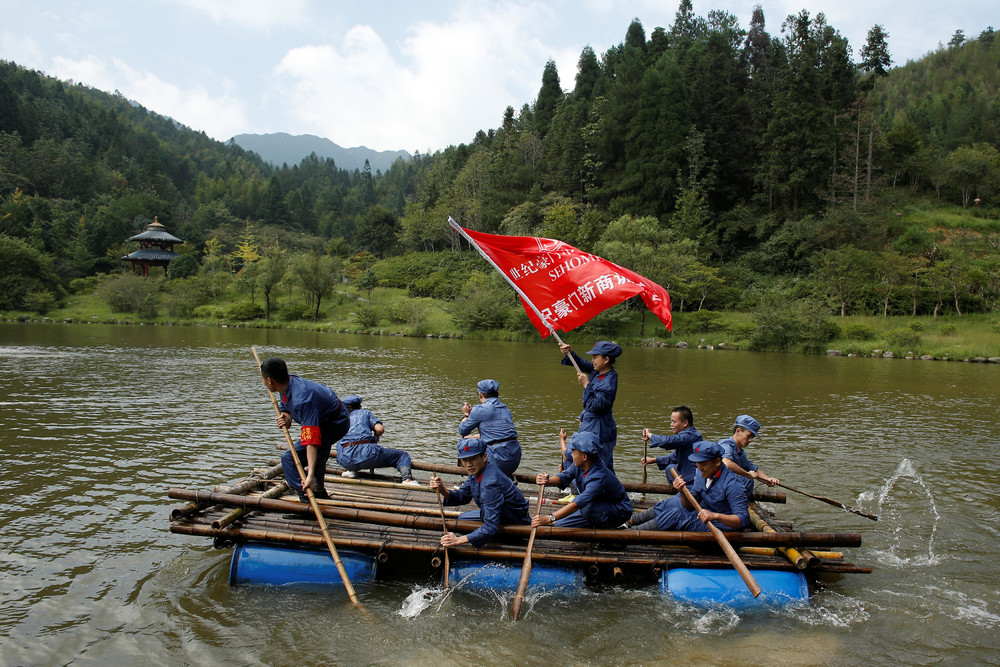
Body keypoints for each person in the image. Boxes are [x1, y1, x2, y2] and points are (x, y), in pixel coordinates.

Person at [260, 357, 350, 503]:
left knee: (289, 458)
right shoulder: (287, 384)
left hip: (335, 423)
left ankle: (307, 497)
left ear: (270, 381)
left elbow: (311, 441)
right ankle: (319, 491)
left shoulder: (302, 399)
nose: (263, 383)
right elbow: (286, 406)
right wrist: (286, 417)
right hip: (326, 419)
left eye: (263, 380)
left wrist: (309, 475)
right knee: (319, 455)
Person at [629, 440, 750, 533]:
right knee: (673, 503)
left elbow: (743, 520)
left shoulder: (733, 484)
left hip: (723, 530)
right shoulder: (701, 474)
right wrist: (682, 491)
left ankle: (631, 534)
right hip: (707, 519)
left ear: (718, 462)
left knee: (677, 515)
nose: (699, 467)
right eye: (697, 463)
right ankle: (631, 522)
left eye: (703, 464)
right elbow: (689, 506)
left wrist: (715, 516)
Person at [429, 439, 530, 548]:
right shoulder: (477, 472)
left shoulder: (490, 484)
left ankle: (502, 539)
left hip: (515, 523)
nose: (469, 464)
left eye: (473, 459)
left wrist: (458, 540)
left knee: (470, 528)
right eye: (465, 460)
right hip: (496, 513)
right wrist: (442, 489)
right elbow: (463, 496)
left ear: (484, 457)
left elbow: (491, 526)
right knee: (463, 519)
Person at [532, 430, 632, 529]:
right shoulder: (580, 465)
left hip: (618, 510)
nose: (571, 455)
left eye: (574, 452)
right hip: (594, 505)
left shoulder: (598, 477)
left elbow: (577, 504)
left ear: (584, 457)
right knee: (559, 526)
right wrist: (547, 481)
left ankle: (608, 529)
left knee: (586, 510)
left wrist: (550, 518)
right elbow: (564, 477)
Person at [558, 340, 621, 471]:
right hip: (591, 424)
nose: (592, 360)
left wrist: (586, 385)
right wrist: (570, 353)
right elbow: (582, 364)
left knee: (596, 465)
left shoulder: (609, 382)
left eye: (595, 357)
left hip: (600, 429)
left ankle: (594, 489)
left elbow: (594, 405)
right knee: (597, 465)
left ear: (606, 359)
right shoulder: (597, 371)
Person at [336, 395, 419, 486]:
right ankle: (407, 479)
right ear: (358, 406)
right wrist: (376, 436)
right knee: (402, 455)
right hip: (367, 454)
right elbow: (380, 429)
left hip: (344, 459)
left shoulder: (342, 418)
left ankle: (351, 470)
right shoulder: (365, 413)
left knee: (343, 443)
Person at [458, 379, 521, 476]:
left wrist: (466, 415)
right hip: (514, 458)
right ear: (498, 394)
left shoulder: (479, 409)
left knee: (463, 442)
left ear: (480, 395)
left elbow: (462, 431)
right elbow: (499, 434)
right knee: (471, 439)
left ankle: (471, 477)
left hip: (497, 459)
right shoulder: (505, 408)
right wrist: (474, 437)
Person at [718, 414, 779, 499]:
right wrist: (748, 475)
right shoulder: (726, 445)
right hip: (717, 489)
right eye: (749, 436)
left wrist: (767, 479)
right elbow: (727, 463)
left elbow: (753, 469)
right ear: (738, 431)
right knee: (747, 480)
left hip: (726, 487)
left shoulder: (740, 452)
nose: (750, 440)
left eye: (752, 437)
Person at [641, 406, 702, 485]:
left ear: (685, 423)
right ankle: (679, 492)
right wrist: (653, 460)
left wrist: (650, 435)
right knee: (670, 468)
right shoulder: (687, 437)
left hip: (693, 479)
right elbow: (674, 457)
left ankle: (682, 493)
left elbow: (667, 442)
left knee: (671, 468)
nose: (671, 424)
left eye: (674, 422)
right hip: (687, 474)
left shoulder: (689, 436)